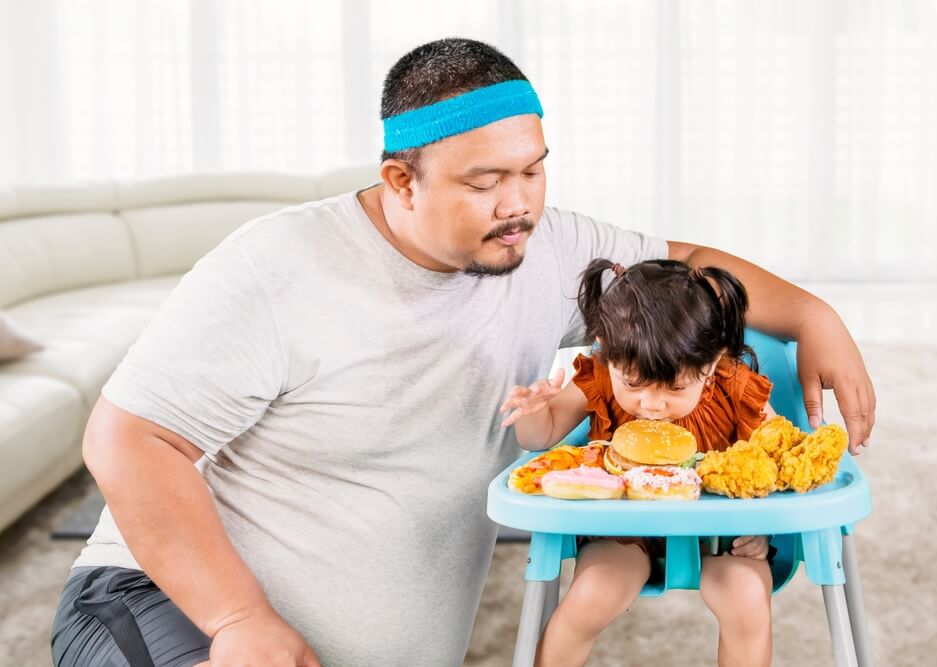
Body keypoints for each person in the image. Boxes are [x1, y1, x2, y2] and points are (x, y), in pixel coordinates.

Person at [50, 38, 874, 666]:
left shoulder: (549, 250)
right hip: (179, 607)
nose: (519, 205)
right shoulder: (274, 267)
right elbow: (126, 438)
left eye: (534, 171)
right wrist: (238, 618)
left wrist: (813, 315)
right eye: (485, 183)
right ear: (402, 180)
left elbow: (687, 272)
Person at [502, 258, 778, 667]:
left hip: (724, 535)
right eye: (631, 383)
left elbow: (778, 461)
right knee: (590, 596)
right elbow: (540, 438)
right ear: (606, 352)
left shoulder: (734, 385)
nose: (651, 405)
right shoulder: (598, 375)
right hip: (624, 532)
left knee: (746, 597)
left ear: (712, 364)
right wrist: (532, 413)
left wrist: (761, 529)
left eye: (675, 387)